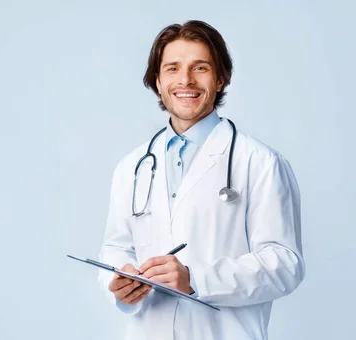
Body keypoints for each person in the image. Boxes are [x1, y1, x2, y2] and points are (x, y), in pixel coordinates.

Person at [97, 20, 305, 340]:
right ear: (157, 80)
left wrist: (197, 279)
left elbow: (285, 264)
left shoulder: (260, 163)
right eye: (172, 68)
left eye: (200, 68)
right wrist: (120, 281)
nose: (185, 80)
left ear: (220, 79)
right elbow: (116, 248)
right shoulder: (132, 167)